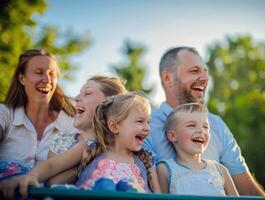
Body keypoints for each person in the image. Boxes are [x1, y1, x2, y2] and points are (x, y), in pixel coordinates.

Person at [143, 46, 265, 196]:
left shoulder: (216, 124)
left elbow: (245, 188)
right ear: (168, 78)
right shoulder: (145, 127)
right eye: (194, 71)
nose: (204, 78)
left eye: (205, 71)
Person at [0, 93, 161, 199]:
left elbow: (159, 196)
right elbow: (51, 165)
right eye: (140, 121)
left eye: (148, 122)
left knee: (129, 190)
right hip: (92, 194)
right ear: (114, 126)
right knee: (105, 186)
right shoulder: (90, 148)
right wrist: (31, 176)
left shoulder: (145, 158)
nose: (148, 128)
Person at [0, 75, 127, 199]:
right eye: (79, 93)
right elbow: (53, 183)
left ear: (109, 106)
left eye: (87, 93)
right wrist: (83, 165)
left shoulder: (120, 147)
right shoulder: (63, 139)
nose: (77, 98)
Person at [0, 49, 76, 179]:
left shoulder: (72, 121)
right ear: (22, 78)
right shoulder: (5, 114)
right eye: (39, 73)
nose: (46, 79)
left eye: (52, 74)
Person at [157, 103, 238, 196]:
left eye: (205, 127)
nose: (201, 130)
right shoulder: (165, 169)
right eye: (191, 125)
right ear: (172, 136)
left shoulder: (220, 170)